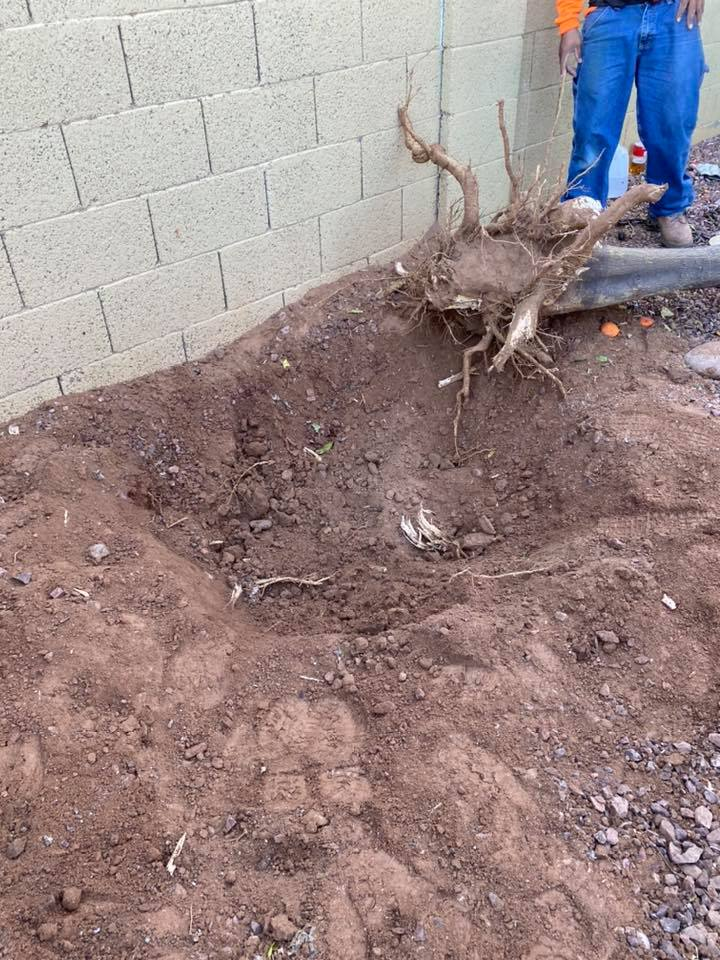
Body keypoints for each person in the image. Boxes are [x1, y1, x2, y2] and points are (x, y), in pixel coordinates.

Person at [556, 0, 707, 247]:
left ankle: (669, 208)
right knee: (593, 129)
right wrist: (568, 21)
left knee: (673, 123)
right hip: (611, 15)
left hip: (674, 15)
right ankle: (583, 216)